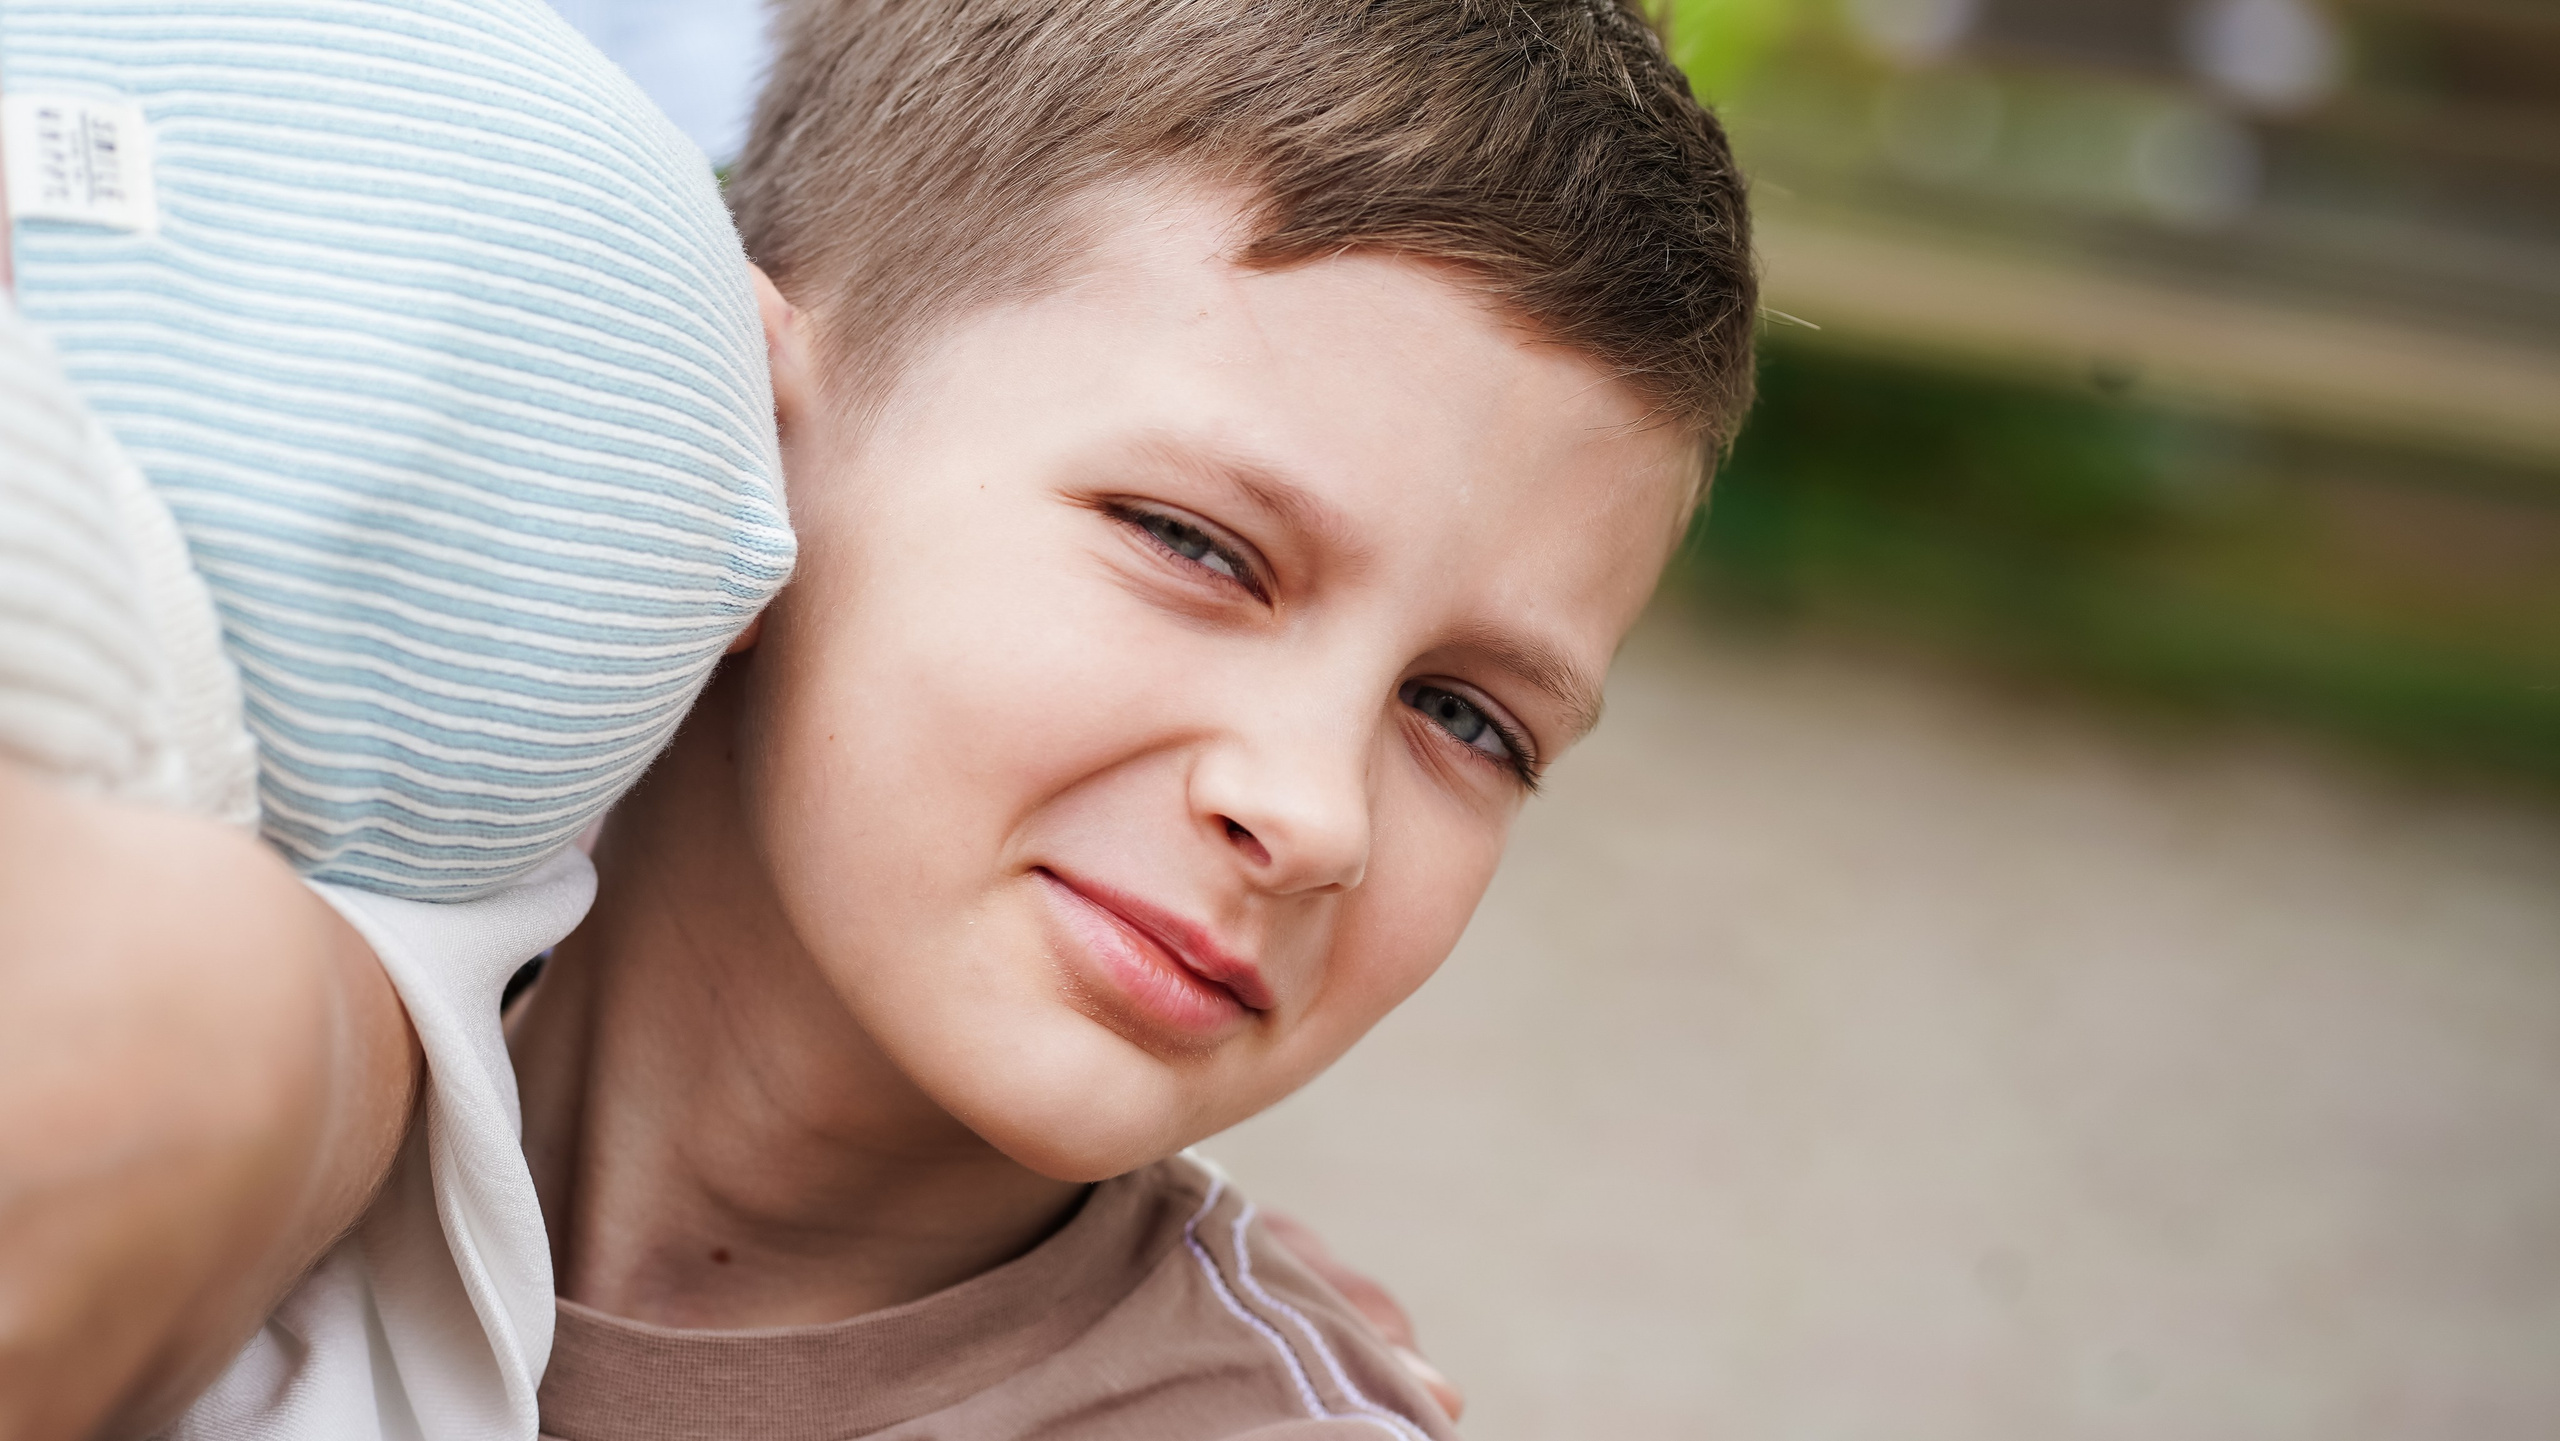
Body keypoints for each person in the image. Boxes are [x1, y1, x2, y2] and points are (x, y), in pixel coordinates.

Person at [500, 0, 1757, 1435]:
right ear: (737, 430)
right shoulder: (253, 950)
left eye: (1466, 718)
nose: (1316, 815)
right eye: (1197, 545)